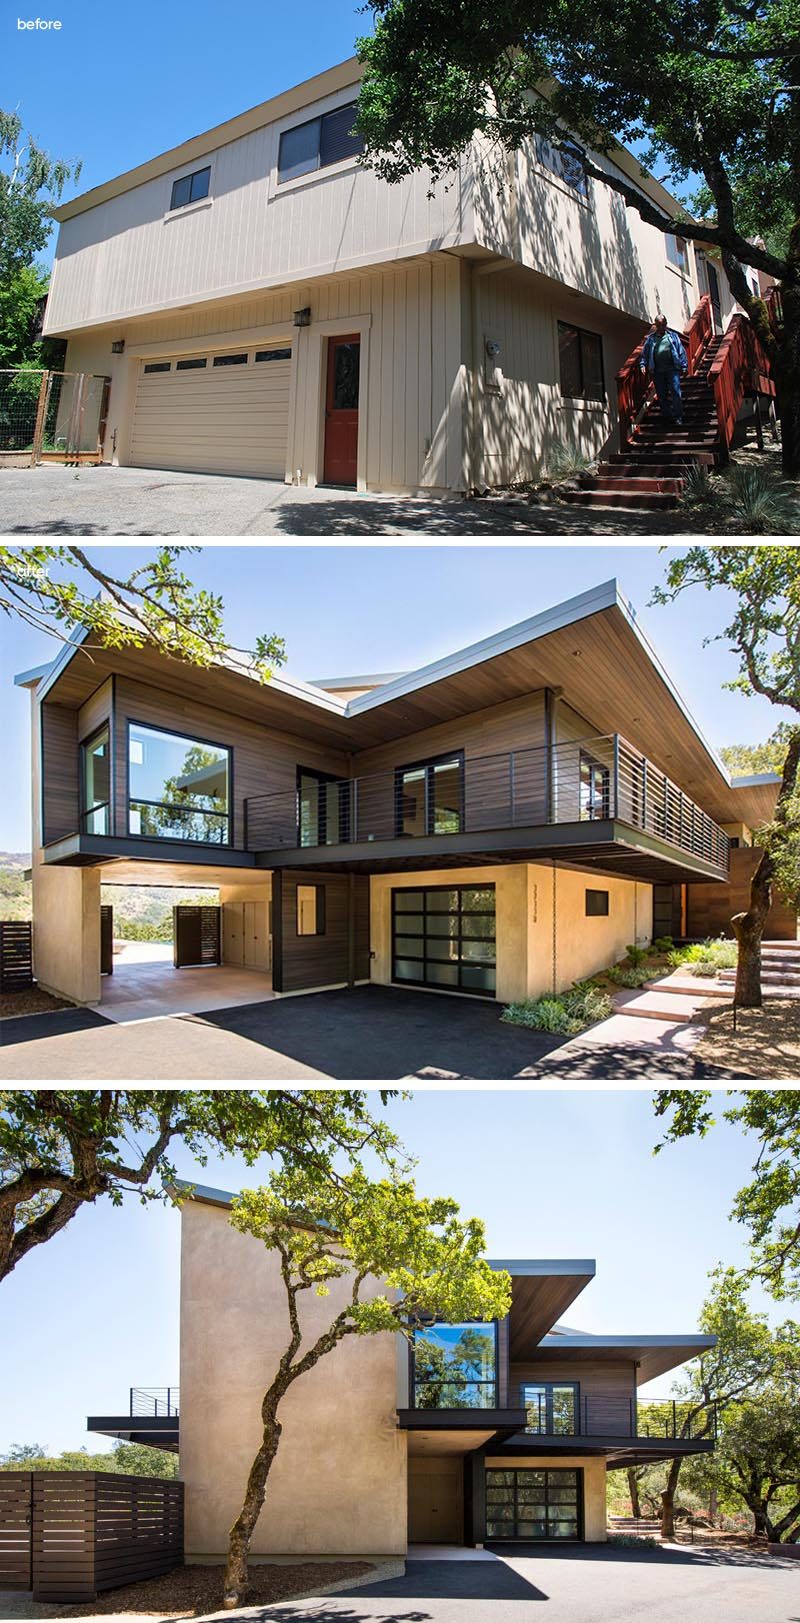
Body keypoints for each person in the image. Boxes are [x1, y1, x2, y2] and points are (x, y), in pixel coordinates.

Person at [640, 314, 688, 425]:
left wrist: (684, 366)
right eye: (660, 325)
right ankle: (668, 416)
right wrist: (643, 365)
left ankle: (678, 416)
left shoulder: (673, 336)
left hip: (672, 369)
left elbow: (681, 351)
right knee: (662, 395)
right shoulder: (651, 339)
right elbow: (644, 354)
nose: (662, 327)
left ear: (666, 324)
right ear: (656, 325)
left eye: (664, 324)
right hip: (658, 371)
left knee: (676, 392)